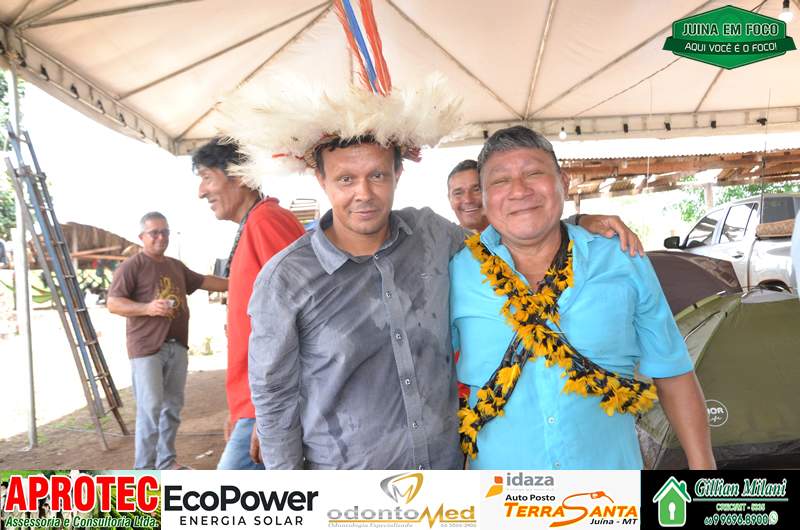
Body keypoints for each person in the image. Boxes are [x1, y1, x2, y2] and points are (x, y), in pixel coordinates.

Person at [219, 76, 642, 470]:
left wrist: (577, 223)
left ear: (397, 174)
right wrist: (296, 497)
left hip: (445, 481)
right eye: (346, 179)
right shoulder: (286, 279)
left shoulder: (431, 235)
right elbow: (273, 398)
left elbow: (510, 238)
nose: (363, 193)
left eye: (377, 175)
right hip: (348, 489)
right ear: (321, 179)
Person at [451, 126, 716, 470]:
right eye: (500, 180)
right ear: (484, 198)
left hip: (609, 488)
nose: (519, 190)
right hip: (501, 492)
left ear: (563, 181)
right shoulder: (455, 272)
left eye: (534, 173)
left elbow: (673, 371)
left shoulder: (622, 259)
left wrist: (703, 470)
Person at [193, 138, 305, 470]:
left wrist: (266, 414)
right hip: (254, 405)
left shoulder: (266, 222)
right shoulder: (254, 223)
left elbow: (303, 317)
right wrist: (240, 408)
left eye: (207, 177)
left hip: (267, 407)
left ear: (240, 175)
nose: (201, 191)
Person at [108, 212, 227, 469]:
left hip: (177, 345)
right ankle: (144, 470)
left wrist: (238, 281)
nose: (161, 237)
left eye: (165, 232)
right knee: (150, 409)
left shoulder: (175, 266)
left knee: (172, 407)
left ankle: (166, 463)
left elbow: (204, 280)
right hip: (147, 348)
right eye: (154, 233)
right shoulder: (132, 266)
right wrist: (147, 308)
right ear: (142, 237)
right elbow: (113, 303)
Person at [447, 159, 488, 232]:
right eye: (458, 193)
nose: (468, 200)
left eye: (476, 190)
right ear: (450, 200)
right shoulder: (444, 238)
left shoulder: (509, 234)